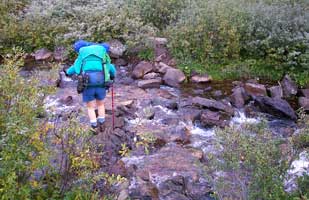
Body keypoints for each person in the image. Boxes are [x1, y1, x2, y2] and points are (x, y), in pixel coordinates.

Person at [64, 40, 116, 133]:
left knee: (90, 107)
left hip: (87, 84)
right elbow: (110, 68)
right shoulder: (103, 55)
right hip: (101, 84)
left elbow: (76, 68)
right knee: (101, 104)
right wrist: (112, 76)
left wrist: (67, 72)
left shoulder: (82, 55)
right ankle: (102, 124)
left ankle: (94, 126)